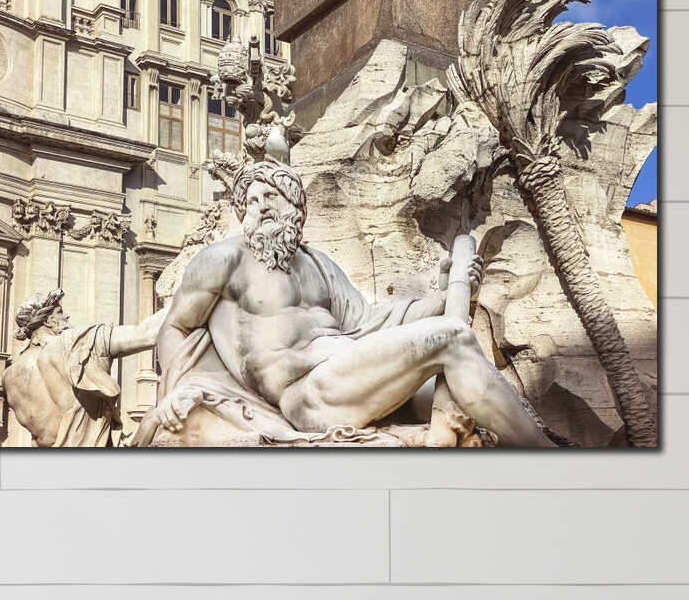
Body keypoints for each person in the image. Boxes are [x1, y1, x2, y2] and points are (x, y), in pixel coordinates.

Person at [137, 161, 549, 447]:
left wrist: (444, 294)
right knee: (455, 338)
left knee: (475, 397)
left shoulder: (319, 263)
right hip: (307, 395)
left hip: (349, 377)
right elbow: (176, 328)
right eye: (249, 200)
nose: (258, 206)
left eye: (269, 196)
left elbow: (371, 323)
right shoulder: (223, 259)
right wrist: (182, 387)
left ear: (294, 206)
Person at [2, 289, 163, 448]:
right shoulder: (72, 345)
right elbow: (147, 334)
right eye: (60, 312)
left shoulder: (9, 375)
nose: (66, 316)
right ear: (48, 321)